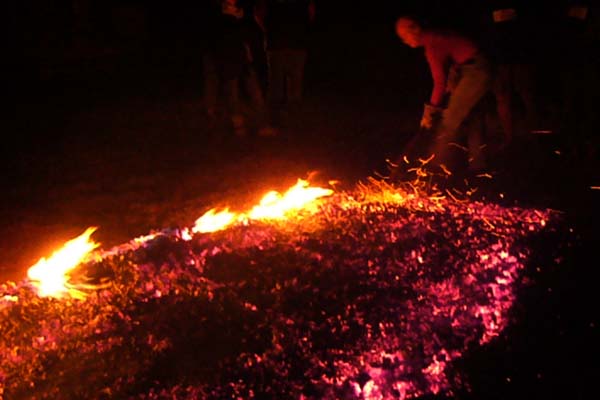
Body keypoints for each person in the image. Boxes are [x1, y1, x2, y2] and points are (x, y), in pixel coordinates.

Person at [395, 16, 493, 176]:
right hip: (476, 66)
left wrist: (430, 112)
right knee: (473, 117)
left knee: (449, 120)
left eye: (404, 35)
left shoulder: (432, 44)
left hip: (476, 71)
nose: (404, 41)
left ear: (415, 29)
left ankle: (436, 167)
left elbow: (439, 83)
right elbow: (456, 51)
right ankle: (479, 166)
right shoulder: (435, 37)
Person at [202, 0, 267, 137]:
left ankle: (260, 125)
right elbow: (217, 40)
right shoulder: (219, 17)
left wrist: (248, 52)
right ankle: (238, 126)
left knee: (254, 92)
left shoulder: (241, 15)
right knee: (233, 94)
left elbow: (247, 35)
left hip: (242, 59)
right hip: (228, 59)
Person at [254, 0, 316, 133]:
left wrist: (269, 30)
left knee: (283, 85)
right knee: (286, 85)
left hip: (286, 42)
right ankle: (284, 123)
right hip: (287, 42)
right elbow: (311, 12)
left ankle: (281, 124)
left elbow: (259, 13)